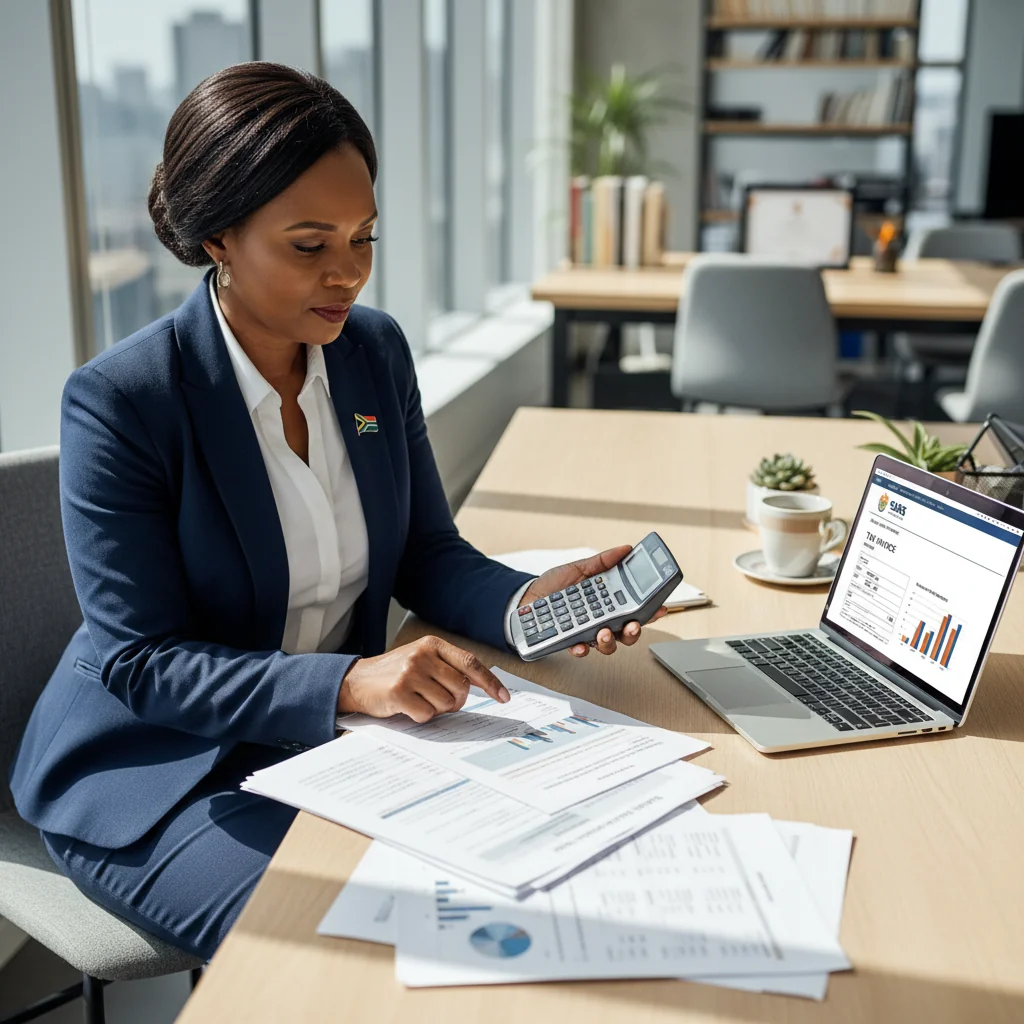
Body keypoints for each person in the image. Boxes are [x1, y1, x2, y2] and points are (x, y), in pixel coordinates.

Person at [9, 63, 663, 962]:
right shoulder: (125, 400)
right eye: (310, 245)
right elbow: (141, 661)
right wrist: (348, 682)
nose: (347, 274)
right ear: (219, 238)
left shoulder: (371, 354)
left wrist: (526, 603)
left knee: (528, 889)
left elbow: (426, 552)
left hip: (339, 745)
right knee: (368, 945)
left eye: (364, 239)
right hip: (162, 771)